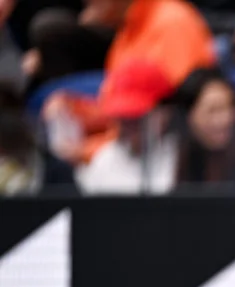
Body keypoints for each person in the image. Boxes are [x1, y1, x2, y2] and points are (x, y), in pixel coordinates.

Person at [38, 0, 215, 164]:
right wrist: (76, 109)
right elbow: (117, 112)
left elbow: (172, 120)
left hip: (163, 164)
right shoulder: (126, 31)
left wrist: (89, 151)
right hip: (126, 153)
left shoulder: (173, 23)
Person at [75, 56, 177, 192]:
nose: (127, 126)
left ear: (165, 112)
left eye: (136, 117)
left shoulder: (183, 159)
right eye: (121, 117)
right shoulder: (105, 161)